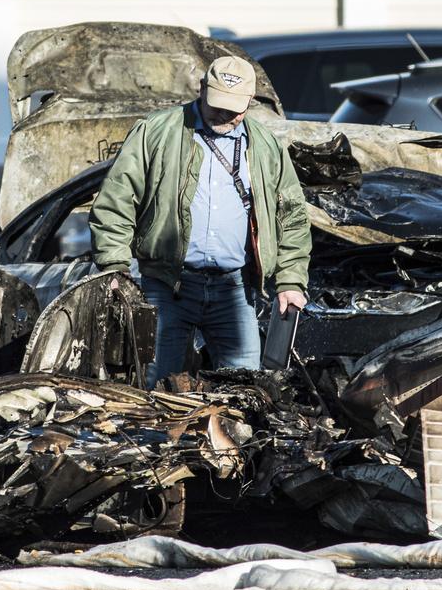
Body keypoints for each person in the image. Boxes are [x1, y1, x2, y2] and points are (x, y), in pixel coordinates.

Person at [89, 55, 310, 388]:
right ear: (202, 89)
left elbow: (292, 215)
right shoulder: (156, 131)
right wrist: (114, 265)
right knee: (156, 387)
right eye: (216, 104)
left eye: (233, 108)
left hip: (235, 290)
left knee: (246, 390)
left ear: (250, 102)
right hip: (167, 286)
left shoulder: (265, 146)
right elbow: (116, 200)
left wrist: (290, 280)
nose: (223, 114)